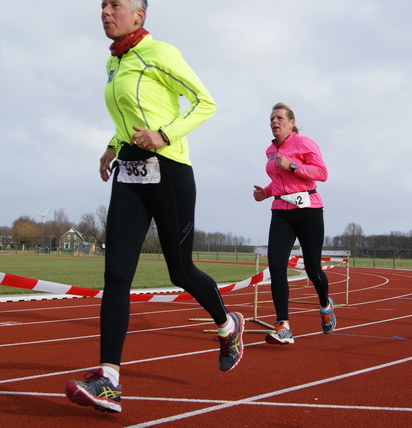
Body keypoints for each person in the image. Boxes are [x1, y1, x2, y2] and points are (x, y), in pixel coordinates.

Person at [65, 0, 244, 413]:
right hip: (130, 173)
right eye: (103, 5)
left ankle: (226, 324)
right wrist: (112, 146)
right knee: (116, 274)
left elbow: (205, 102)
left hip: (170, 171)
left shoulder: (160, 52)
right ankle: (109, 379)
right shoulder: (115, 63)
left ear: (139, 14)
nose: (105, 11)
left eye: (115, 5)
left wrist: (165, 134)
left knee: (180, 271)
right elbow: (125, 116)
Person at [252, 102, 335, 345]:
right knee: (276, 265)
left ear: (291, 123)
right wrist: (266, 192)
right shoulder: (270, 150)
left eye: (279, 118)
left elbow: (322, 173)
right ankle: (283, 326)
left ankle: (324, 305)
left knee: (312, 268)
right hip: (281, 211)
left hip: (309, 210)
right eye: (271, 119)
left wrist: (294, 165)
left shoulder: (304, 143)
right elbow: (279, 182)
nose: (274, 122)